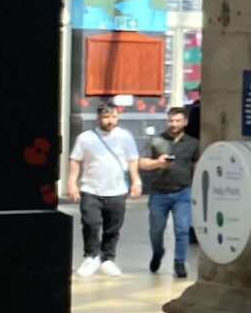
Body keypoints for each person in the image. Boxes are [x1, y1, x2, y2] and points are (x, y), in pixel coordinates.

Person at [63, 99, 143, 280]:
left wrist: (136, 181)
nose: (110, 121)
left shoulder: (125, 137)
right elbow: (75, 160)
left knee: (113, 227)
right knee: (90, 223)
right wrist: (71, 182)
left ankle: (108, 258)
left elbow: (132, 161)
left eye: (114, 117)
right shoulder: (86, 138)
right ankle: (91, 256)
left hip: (117, 191)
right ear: (99, 117)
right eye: (106, 117)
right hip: (91, 189)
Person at [137, 103, 199, 278]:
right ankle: (158, 252)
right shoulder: (156, 141)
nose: (174, 124)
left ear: (185, 122)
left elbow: (197, 166)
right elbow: (142, 163)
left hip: (183, 192)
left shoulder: (193, 144)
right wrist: (158, 163)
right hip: (159, 192)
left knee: (182, 229)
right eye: (171, 120)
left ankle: (179, 262)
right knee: (156, 230)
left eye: (178, 121)